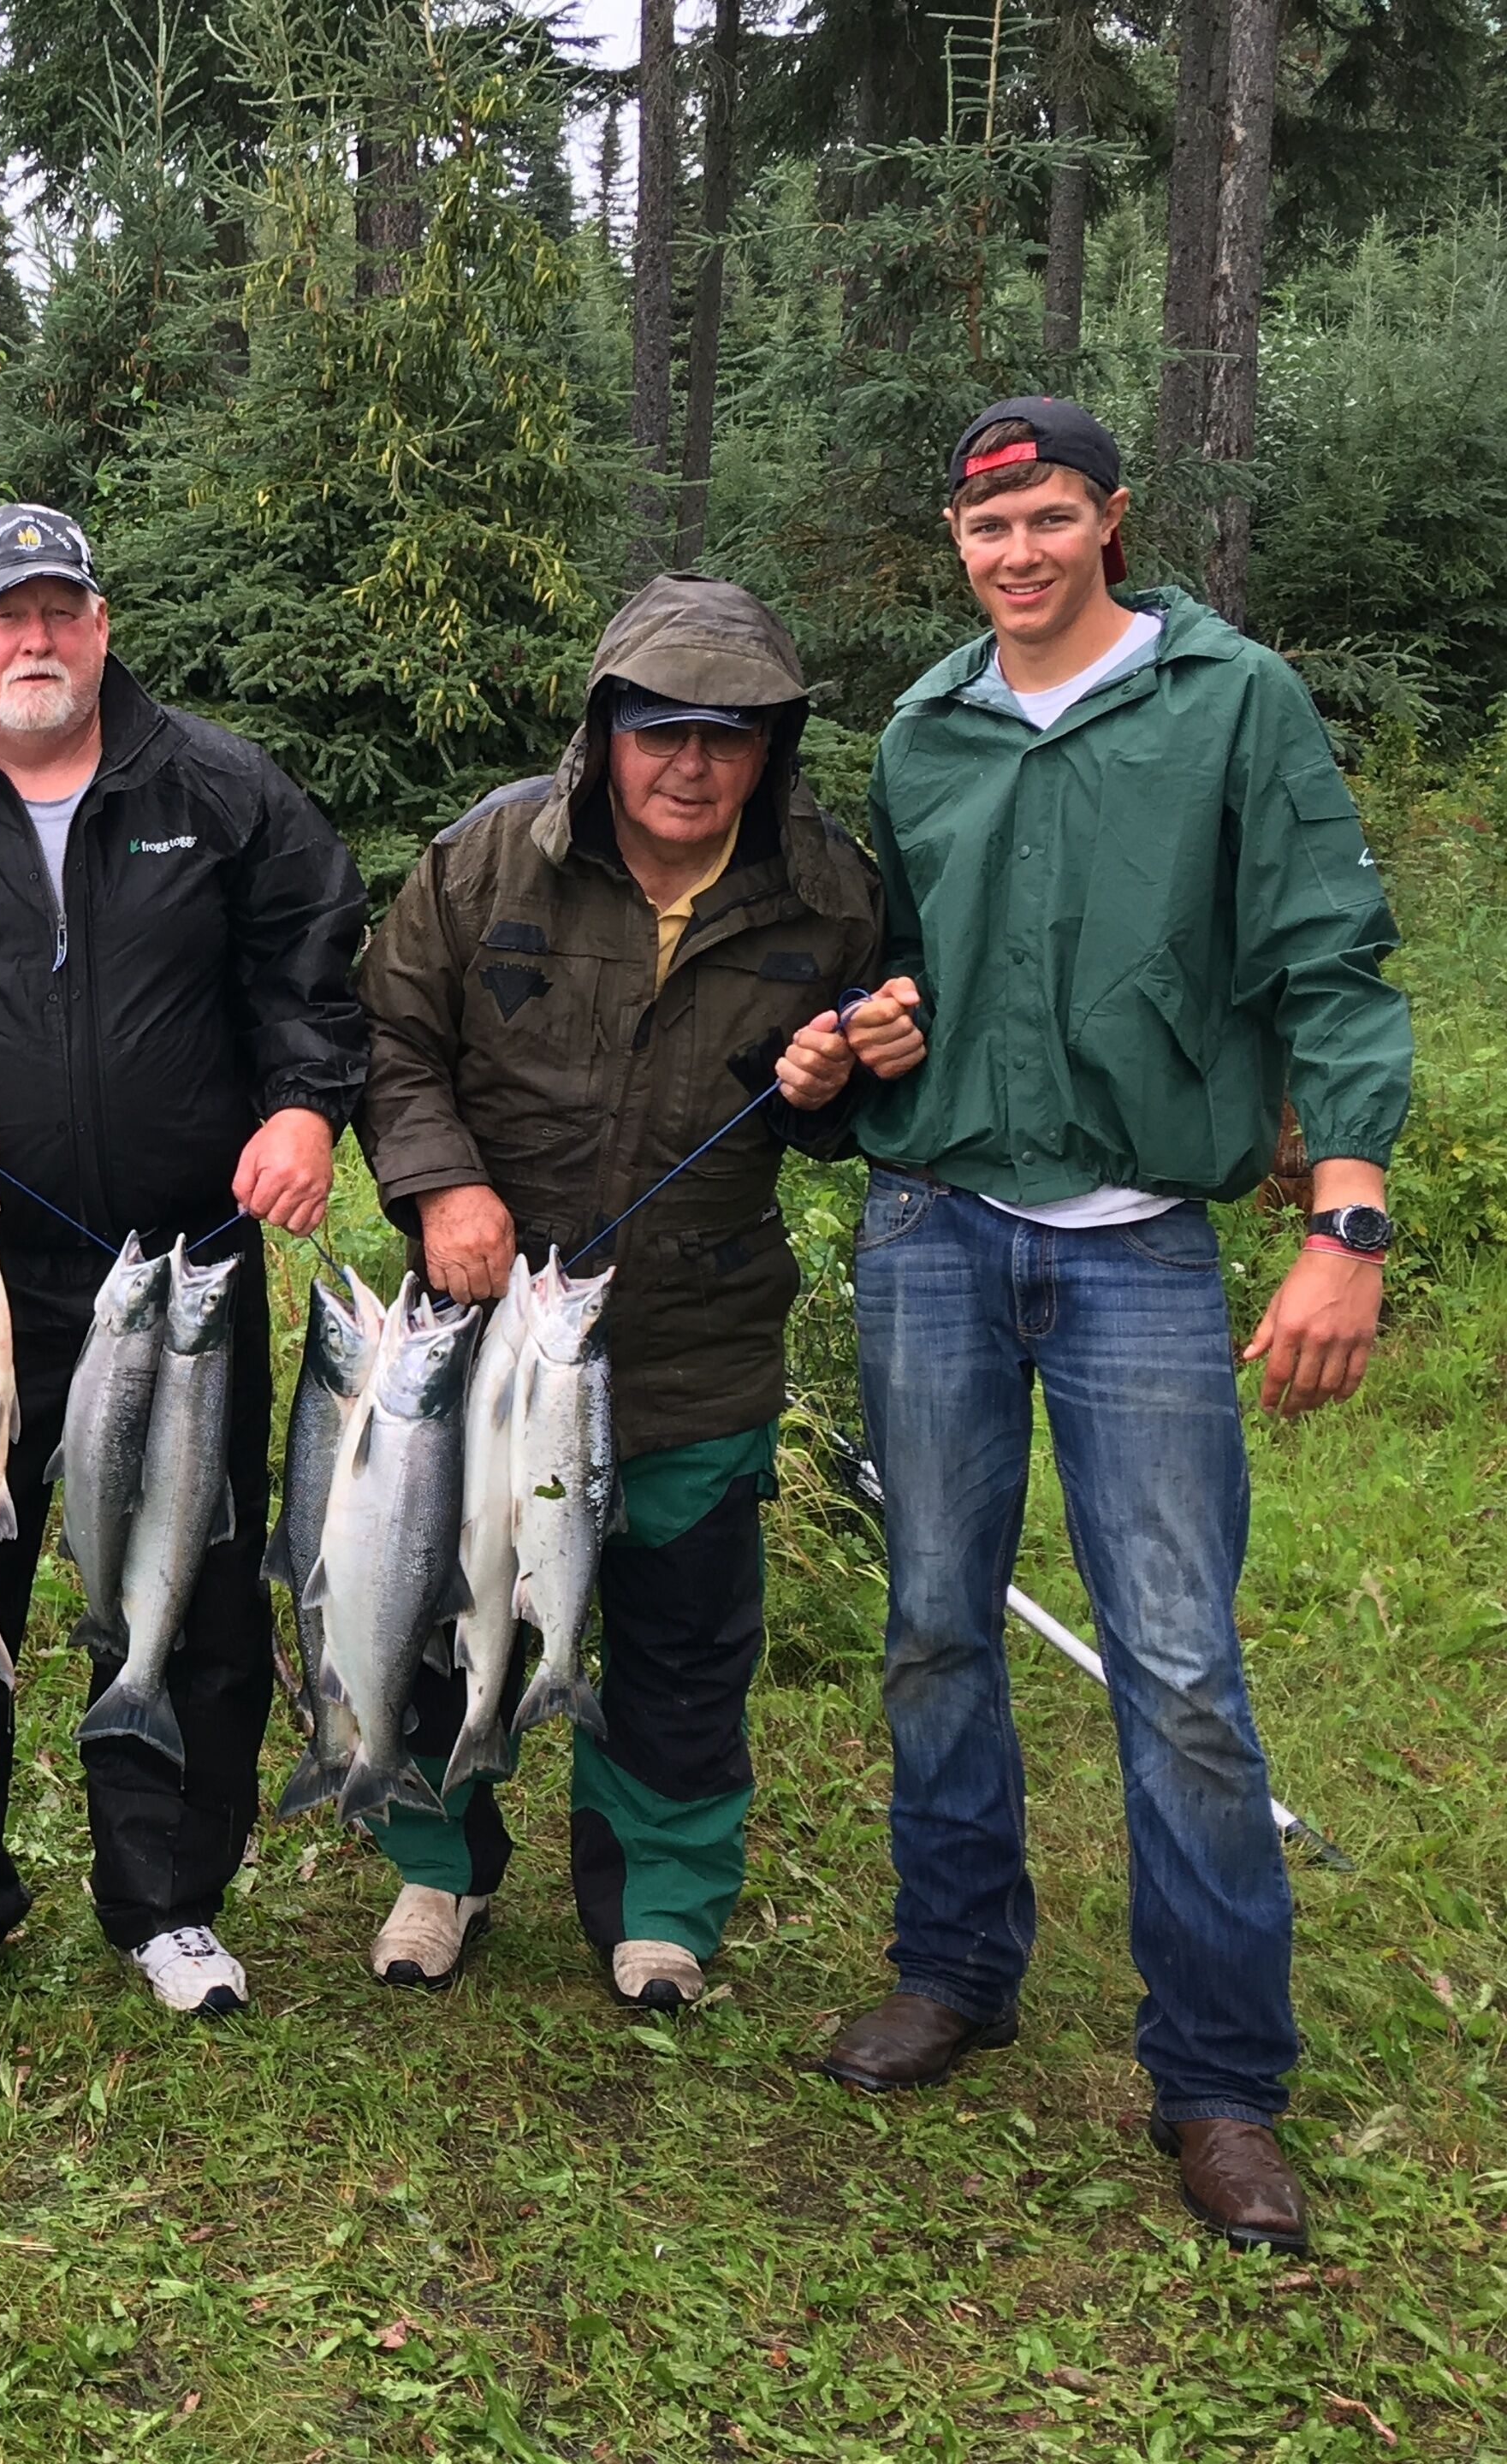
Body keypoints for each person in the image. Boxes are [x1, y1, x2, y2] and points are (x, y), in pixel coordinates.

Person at [817, 398, 1411, 2255]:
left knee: (1176, 1664)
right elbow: (883, 967)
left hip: (1142, 1244)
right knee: (932, 1623)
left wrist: (1349, 1223)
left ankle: (1222, 2080)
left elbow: (1332, 959)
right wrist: (872, 1029)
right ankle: (955, 1964)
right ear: (957, 540)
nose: (1020, 556)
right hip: (932, 1224)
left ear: (1111, 523)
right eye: (989, 531)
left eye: (1052, 520)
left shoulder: (1231, 705)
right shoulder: (923, 731)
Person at [0, 502, 368, 2038]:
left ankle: (166, 1899)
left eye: (64, 613)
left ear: (103, 628)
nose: (37, 641)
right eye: (6, 615)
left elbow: (314, 965)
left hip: (179, 1272)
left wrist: (303, 1105)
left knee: (191, 1572)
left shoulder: (221, 790)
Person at [351, 574, 913, 2011]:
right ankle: (437, 1861)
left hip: (694, 1341)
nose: (692, 764)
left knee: (680, 1644)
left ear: (771, 748)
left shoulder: (832, 893)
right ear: (603, 731)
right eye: (661, 729)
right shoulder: (486, 861)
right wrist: (439, 1186)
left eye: (729, 737)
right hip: (477, 1340)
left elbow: (848, 1123)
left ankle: (658, 1900)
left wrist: (832, 1086)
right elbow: (390, 1037)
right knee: (427, 1604)